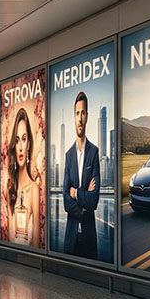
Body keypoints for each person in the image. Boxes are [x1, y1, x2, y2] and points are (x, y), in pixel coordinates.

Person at [62, 92, 101, 259]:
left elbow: (94, 199)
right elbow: (65, 200)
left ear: (87, 117)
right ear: (74, 117)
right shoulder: (68, 156)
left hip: (89, 237)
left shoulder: (94, 152)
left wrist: (76, 193)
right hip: (70, 238)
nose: (80, 118)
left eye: (83, 113)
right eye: (77, 113)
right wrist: (83, 207)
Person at [7, 107, 40, 247]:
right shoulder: (10, 187)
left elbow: (36, 243)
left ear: (29, 144)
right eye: (17, 140)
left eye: (24, 139)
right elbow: (9, 240)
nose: (20, 146)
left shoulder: (34, 189)